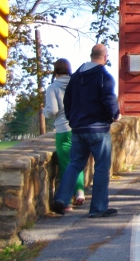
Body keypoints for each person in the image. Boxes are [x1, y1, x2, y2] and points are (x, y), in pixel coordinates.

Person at [51, 44, 121, 218]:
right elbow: (108, 99)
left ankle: (62, 199)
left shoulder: (76, 77)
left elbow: (68, 101)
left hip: (78, 129)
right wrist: (115, 115)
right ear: (105, 57)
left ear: (91, 56)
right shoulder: (104, 76)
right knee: (102, 168)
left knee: (75, 164)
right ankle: (98, 208)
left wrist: (73, 119)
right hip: (98, 129)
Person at [43, 58, 86, 209]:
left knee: (65, 164)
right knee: (78, 161)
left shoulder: (53, 88)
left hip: (63, 129)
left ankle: (66, 200)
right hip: (79, 127)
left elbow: (52, 110)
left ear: (55, 71)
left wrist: (44, 111)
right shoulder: (78, 84)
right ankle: (80, 192)